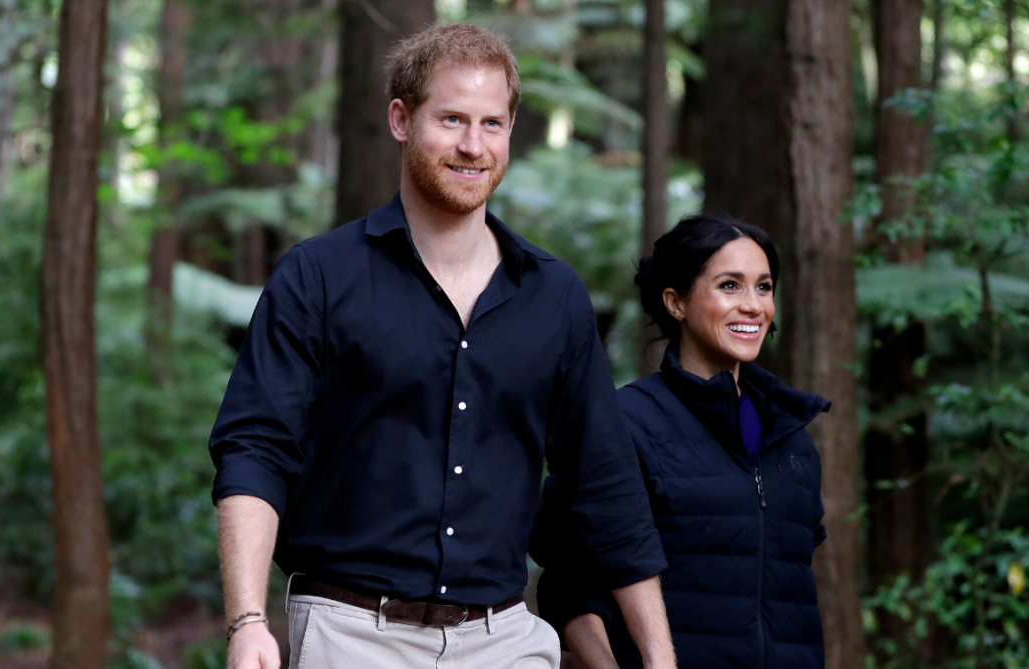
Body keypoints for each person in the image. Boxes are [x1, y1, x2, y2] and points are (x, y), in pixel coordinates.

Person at [208, 23, 677, 669]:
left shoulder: (555, 296)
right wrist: (248, 619)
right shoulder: (319, 275)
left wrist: (660, 656)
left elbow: (606, 483)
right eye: (452, 119)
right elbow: (254, 448)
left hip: (506, 637)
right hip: (351, 634)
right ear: (401, 120)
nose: (472, 145)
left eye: (492, 123)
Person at [530, 214, 830, 669]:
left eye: (764, 287)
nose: (753, 305)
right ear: (676, 303)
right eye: (730, 286)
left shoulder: (790, 436)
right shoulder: (623, 424)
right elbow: (569, 586)